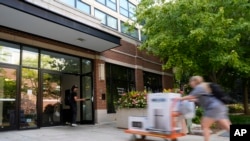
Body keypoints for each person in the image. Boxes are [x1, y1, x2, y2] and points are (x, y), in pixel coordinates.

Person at [177, 76, 230, 141]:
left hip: (212, 108)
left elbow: (191, 96)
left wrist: (180, 98)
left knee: (204, 126)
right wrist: (193, 100)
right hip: (219, 106)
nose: (190, 83)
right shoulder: (204, 86)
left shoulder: (199, 87)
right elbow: (203, 99)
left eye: (191, 81)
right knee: (227, 127)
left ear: (195, 81)